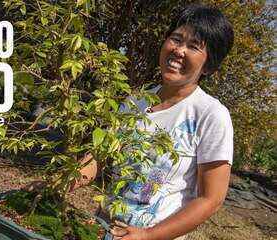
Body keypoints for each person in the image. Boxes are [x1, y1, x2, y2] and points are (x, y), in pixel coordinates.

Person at [77, 4, 234, 240]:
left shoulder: (211, 115)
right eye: (176, 39)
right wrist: (61, 183)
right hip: (104, 229)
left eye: (193, 46)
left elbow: (211, 199)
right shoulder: (135, 101)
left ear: (209, 65)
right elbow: (100, 157)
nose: (179, 50)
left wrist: (148, 235)